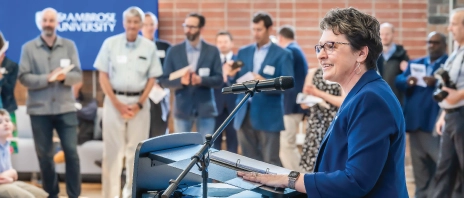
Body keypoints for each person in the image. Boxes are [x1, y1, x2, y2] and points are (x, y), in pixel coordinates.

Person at [238, 8, 408, 198]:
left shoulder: (370, 99)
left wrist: (289, 179)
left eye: (331, 46)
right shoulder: (362, 93)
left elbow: (356, 181)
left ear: (361, 53)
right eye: (320, 47)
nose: (320, 55)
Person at [94, 6, 163, 198]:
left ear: (141, 24)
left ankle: (131, 194)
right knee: (112, 154)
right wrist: (117, 103)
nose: (132, 25)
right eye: (129, 22)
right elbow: (103, 75)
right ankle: (110, 195)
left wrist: (139, 104)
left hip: (140, 105)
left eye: (136, 22)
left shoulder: (149, 47)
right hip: (113, 104)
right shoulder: (110, 43)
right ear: (124, 23)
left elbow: (152, 78)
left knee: (136, 153)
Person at [18, 7, 82, 198]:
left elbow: (77, 75)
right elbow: (23, 78)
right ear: (40, 23)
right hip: (39, 111)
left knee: (71, 153)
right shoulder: (28, 48)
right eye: (45, 20)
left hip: (66, 108)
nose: (48, 24)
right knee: (45, 157)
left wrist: (63, 78)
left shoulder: (69, 45)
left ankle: (73, 195)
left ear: (57, 23)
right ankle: (51, 195)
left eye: (51, 21)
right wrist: (48, 78)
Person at [226, 12, 294, 166]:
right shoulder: (244, 51)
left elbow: (288, 86)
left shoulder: (283, 54)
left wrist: (265, 82)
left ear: (270, 29)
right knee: (249, 162)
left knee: (270, 161)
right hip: (243, 112)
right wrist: (230, 75)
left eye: (259, 30)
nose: (255, 34)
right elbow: (237, 80)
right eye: (253, 29)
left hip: (268, 115)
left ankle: (276, 190)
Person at [395, 31, 448, 198]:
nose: (431, 45)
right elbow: (399, 81)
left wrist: (436, 82)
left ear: (444, 45)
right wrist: (407, 81)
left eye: (436, 42)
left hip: (435, 124)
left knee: (439, 167)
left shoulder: (448, 64)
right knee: (420, 169)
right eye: (429, 42)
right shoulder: (416, 63)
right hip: (415, 123)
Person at [159, 13, 222, 139]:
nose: (188, 30)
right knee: (182, 150)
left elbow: (219, 80)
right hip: (182, 109)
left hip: (206, 109)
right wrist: (181, 81)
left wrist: (201, 80)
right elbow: (164, 81)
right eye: (186, 26)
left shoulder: (212, 51)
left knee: (206, 150)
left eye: (192, 27)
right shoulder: (174, 51)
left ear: (201, 29)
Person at [432, 8, 464, 198]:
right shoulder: (456, 51)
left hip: (462, 114)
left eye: (453, 23)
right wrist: (444, 114)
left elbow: (457, 92)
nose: (449, 28)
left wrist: (459, 96)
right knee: (444, 169)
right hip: (452, 116)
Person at [299, 67, 344, 172]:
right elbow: (303, 104)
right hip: (315, 125)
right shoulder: (313, 73)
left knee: (332, 163)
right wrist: (310, 98)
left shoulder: (341, 73)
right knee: (312, 164)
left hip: (334, 124)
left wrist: (319, 93)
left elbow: (344, 101)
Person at [276, 25, 308, 171]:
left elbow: (288, 81)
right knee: (288, 145)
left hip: (290, 106)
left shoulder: (289, 51)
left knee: (287, 146)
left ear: (280, 38)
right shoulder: (297, 50)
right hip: (295, 104)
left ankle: (299, 181)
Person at [0, 109, 48, 198]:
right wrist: (9, 174)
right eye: (0, 122)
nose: (5, 123)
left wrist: (10, 174)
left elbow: (12, 175)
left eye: (7, 120)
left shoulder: (6, 145)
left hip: (6, 182)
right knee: (27, 196)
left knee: (42, 195)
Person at [141, 12, 172, 137]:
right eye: (145, 24)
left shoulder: (165, 47)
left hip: (160, 95)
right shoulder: (134, 47)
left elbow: (171, 70)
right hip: (141, 95)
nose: (149, 27)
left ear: (156, 26)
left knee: (159, 131)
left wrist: (160, 83)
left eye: (151, 24)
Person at [212, 30, 238, 152]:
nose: (222, 44)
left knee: (233, 140)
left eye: (225, 42)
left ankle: (232, 169)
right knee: (214, 141)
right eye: (220, 42)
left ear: (231, 43)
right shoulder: (213, 62)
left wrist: (230, 75)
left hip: (234, 106)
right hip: (216, 105)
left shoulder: (238, 61)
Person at [377, 22, 410, 105]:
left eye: (387, 34)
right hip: (378, 97)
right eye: (382, 34)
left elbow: (406, 79)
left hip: (397, 99)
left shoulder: (402, 55)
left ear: (393, 34)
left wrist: (406, 70)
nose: (384, 37)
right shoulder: (373, 55)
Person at [0, 32, 18, 154]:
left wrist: (1, 78)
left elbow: (9, 90)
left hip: (6, 109)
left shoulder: (11, 65)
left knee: (7, 148)